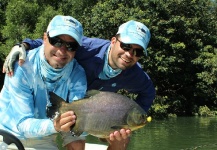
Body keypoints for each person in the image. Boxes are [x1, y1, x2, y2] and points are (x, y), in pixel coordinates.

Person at [3, 20, 155, 150]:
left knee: (121, 142)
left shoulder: (135, 75)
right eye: (126, 46)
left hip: (81, 113)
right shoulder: (86, 49)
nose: (130, 54)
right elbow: (48, 45)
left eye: (138, 52)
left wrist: (132, 118)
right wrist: (23, 45)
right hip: (7, 132)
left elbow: (149, 93)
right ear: (114, 41)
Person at [0, 15, 88, 150]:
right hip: (7, 135)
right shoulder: (22, 66)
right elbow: (21, 124)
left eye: (71, 45)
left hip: (45, 140)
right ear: (45, 38)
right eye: (56, 41)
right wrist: (55, 125)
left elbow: (76, 119)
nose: (62, 50)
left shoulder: (78, 74)